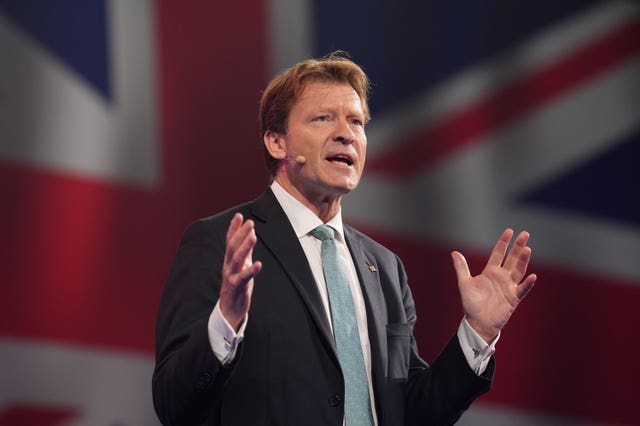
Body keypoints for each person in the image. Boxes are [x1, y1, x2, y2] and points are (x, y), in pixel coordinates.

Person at [152, 52, 537, 426]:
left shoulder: (383, 267)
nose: (346, 134)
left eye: (356, 122)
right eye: (323, 118)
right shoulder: (221, 243)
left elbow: (412, 413)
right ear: (277, 143)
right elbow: (173, 404)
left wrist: (478, 333)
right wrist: (226, 323)